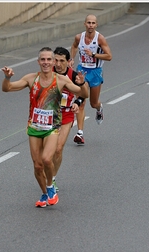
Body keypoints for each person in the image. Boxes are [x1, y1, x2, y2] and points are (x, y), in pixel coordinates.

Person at [1, 47, 88, 208]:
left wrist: (82, 83)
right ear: (38, 62)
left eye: (49, 59)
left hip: (52, 127)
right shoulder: (31, 78)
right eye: (43, 59)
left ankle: (50, 186)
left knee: (48, 158)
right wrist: (7, 78)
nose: (46, 62)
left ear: (53, 62)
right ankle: (44, 193)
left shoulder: (61, 80)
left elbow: (83, 93)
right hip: (34, 127)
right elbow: (7, 88)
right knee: (37, 165)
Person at [70, 14, 112, 145]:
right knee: (81, 101)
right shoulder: (79, 37)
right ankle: (80, 133)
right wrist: (71, 58)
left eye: (93, 23)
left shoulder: (100, 39)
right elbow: (74, 46)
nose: (90, 25)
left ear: (96, 25)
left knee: (93, 103)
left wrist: (93, 54)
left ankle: (99, 109)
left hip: (95, 72)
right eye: (88, 23)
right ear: (84, 24)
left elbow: (109, 56)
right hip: (82, 70)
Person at [52, 46, 88, 192]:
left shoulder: (73, 75)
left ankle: (52, 179)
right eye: (56, 60)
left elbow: (84, 94)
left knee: (58, 149)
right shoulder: (48, 73)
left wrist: (76, 103)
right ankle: (47, 171)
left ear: (68, 62)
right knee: (45, 153)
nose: (58, 64)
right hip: (50, 115)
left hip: (66, 114)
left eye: (62, 61)